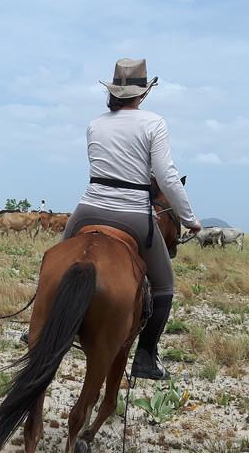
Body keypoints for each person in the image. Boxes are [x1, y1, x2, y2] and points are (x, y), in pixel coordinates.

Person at [62, 58, 201, 380]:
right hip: (134, 213)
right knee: (165, 286)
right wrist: (189, 218)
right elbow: (166, 177)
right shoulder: (154, 123)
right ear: (144, 92)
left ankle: (38, 329)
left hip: (88, 207)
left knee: (56, 259)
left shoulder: (95, 124)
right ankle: (145, 358)